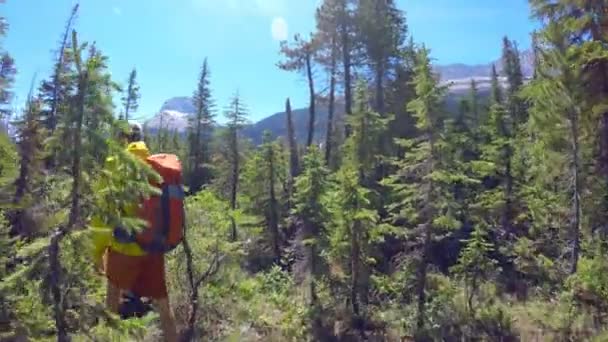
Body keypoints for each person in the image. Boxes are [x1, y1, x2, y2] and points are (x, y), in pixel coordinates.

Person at [90, 123, 178, 342]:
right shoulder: (156, 165)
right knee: (164, 308)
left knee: (111, 307)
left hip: (124, 248)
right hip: (153, 247)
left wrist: (96, 252)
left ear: (121, 140)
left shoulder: (113, 166)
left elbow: (103, 214)